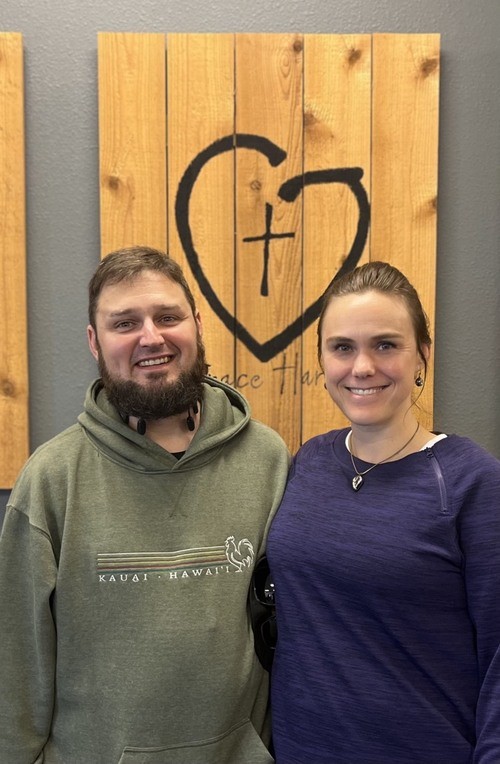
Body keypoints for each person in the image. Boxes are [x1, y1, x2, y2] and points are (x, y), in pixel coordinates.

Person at [0, 245, 290, 764]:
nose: (151, 337)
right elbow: (17, 668)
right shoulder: (51, 480)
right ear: (94, 341)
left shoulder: (266, 460)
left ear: (198, 324)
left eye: (168, 317)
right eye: (124, 323)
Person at [267, 261, 500, 764]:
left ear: (422, 356)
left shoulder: (471, 482)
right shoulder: (308, 461)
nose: (362, 367)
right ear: (322, 359)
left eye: (386, 345)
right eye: (342, 347)